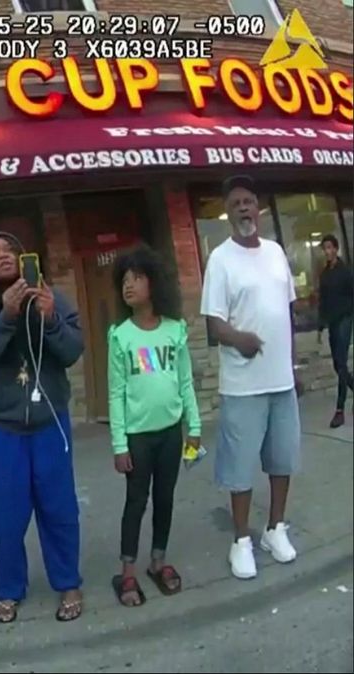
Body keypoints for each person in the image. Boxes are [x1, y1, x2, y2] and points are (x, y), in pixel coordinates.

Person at [0, 232, 86, 624]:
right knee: (9, 515)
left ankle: (68, 582)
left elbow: (73, 350)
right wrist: (6, 318)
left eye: (9, 249)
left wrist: (50, 321)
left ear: (24, 256)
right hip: (2, 428)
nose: (3, 256)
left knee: (60, 509)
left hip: (50, 422)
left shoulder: (53, 297)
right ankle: (10, 588)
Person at [200, 175, 302, 580]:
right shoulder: (221, 259)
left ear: (258, 208)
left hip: (281, 382)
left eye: (250, 201)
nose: (245, 208)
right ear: (228, 213)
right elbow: (213, 325)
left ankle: (275, 530)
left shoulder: (276, 252)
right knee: (240, 469)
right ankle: (240, 540)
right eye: (237, 203)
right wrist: (239, 339)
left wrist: (291, 363)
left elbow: (287, 310)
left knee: (283, 461)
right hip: (243, 385)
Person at [106, 246, 202, 607]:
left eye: (137, 278)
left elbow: (186, 382)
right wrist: (119, 444)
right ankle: (127, 572)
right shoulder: (120, 336)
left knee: (165, 498)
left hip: (170, 432)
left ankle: (158, 560)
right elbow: (115, 394)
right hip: (137, 436)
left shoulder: (175, 331)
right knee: (136, 501)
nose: (129, 286)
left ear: (154, 283)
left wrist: (192, 427)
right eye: (125, 280)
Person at [317, 233, 354, 428]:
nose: (328, 251)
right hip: (332, 322)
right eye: (325, 248)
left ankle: (339, 410)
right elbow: (323, 301)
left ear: (336, 249)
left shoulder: (345, 271)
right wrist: (320, 326)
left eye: (331, 247)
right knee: (337, 366)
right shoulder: (325, 274)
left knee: (340, 365)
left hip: (345, 320)